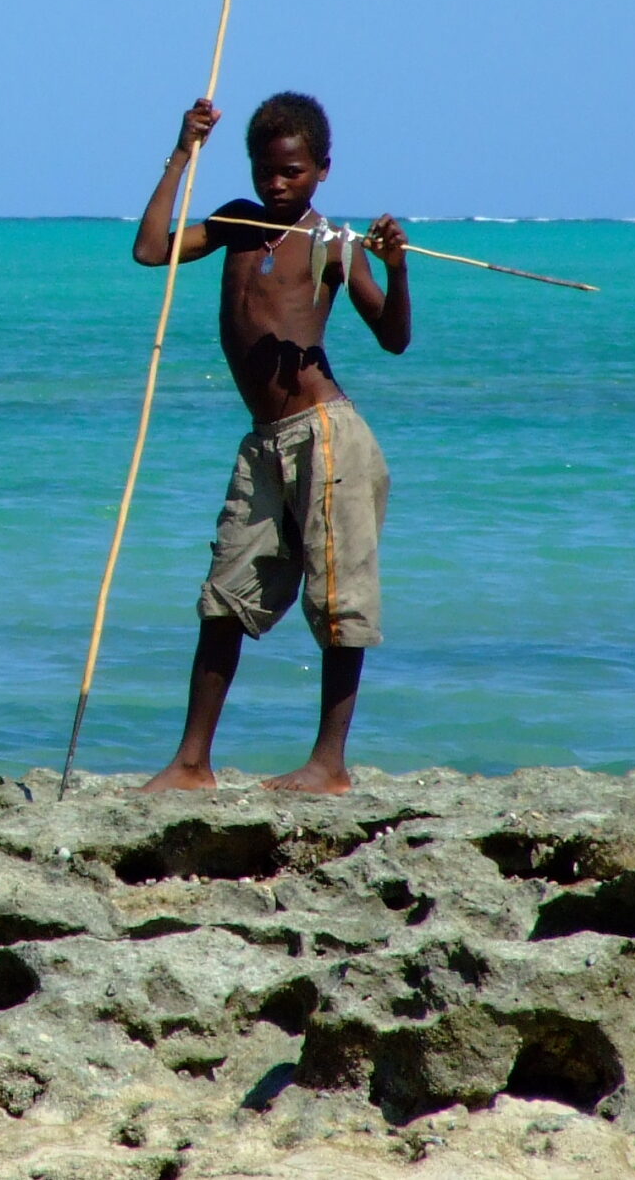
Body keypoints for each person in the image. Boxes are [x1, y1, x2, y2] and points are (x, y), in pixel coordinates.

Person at [133, 92, 411, 795]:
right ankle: (192, 762)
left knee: (339, 597)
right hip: (264, 444)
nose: (276, 183)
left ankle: (330, 764)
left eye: (291, 171)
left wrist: (397, 265)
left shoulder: (333, 246)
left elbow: (394, 336)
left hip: (327, 437)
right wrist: (182, 151)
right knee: (226, 593)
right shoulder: (235, 223)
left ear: (321, 169)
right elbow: (151, 249)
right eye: (265, 170)